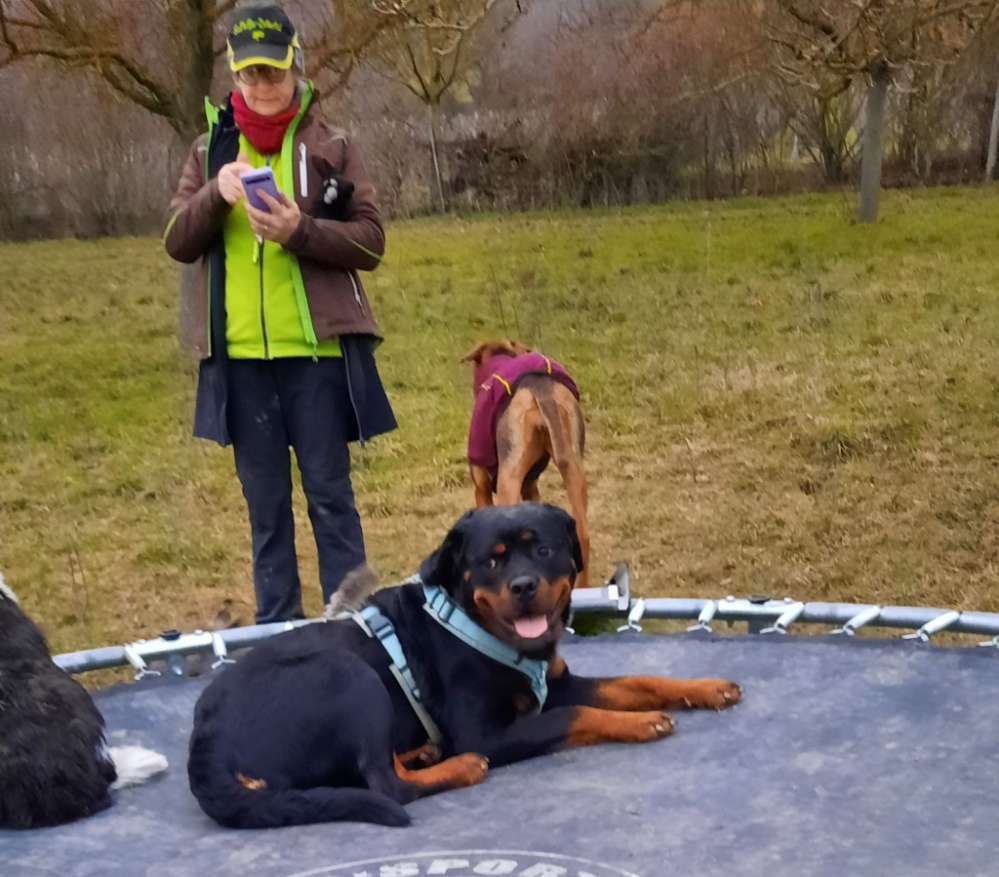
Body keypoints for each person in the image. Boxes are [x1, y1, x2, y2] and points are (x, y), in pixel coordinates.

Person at [164, 3, 395, 624]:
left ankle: (353, 629)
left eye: (273, 70)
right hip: (240, 364)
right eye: (250, 73)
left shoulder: (333, 146)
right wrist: (215, 194)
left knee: (330, 499)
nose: (262, 85)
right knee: (265, 511)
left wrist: (301, 231)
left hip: (316, 359)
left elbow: (372, 242)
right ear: (234, 74)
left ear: (296, 66)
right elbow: (177, 240)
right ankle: (279, 636)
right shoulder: (208, 151)